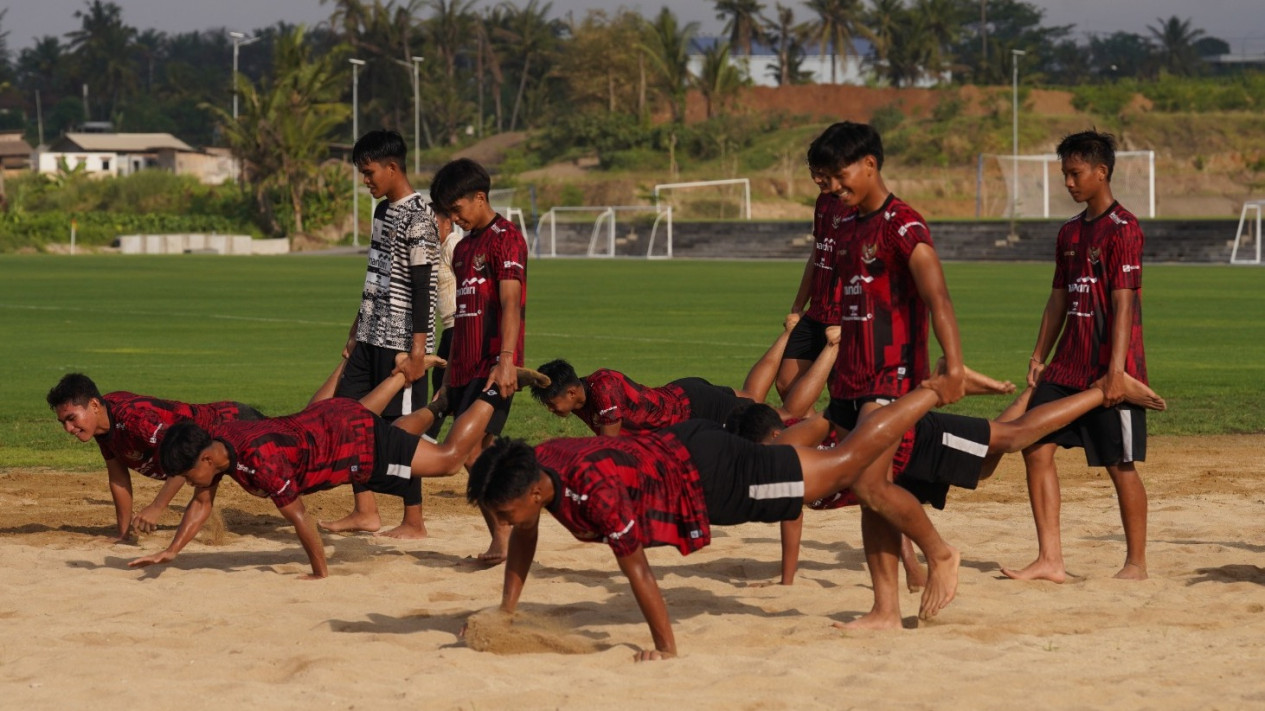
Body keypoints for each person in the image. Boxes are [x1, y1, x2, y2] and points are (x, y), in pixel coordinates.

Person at [467, 373, 966, 662]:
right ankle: (908, 404)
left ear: (534, 492)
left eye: (506, 514)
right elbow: (527, 532)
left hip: (712, 476)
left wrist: (665, 649)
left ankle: (932, 396)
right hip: (686, 450)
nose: (506, 523)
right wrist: (507, 610)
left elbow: (638, 570)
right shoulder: (540, 461)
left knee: (849, 468)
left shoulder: (593, 492)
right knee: (846, 469)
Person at [735, 366, 1165, 606]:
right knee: (986, 467)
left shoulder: (790, 444)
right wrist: (915, 573)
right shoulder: (791, 460)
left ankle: (1104, 390)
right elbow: (883, 501)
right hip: (900, 463)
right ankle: (1022, 397)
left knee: (1011, 440)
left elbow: (835, 425)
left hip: (915, 437)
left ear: (769, 439)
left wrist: (788, 579)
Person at [128, 365, 549, 579]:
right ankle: (441, 403)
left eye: (184, 476)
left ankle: (495, 385)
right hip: (333, 422)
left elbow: (302, 519)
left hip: (355, 440)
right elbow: (202, 505)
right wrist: (172, 550)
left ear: (204, 461)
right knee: (403, 437)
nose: (187, 485)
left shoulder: (259, 460)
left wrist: (319, 570)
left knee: (449, 460)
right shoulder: (217, 442)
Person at [811, 121, 967, 629]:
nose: (834, 186)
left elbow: (937, 296)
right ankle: (884, 608)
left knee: (871, 483)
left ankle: (939, 553)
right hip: (852, 376)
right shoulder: (848, 225)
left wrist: (955, 363)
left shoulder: (904, 225)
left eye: (840, 175)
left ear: (870, 163)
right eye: (828, 179)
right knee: (865, 488)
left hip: (892, 375)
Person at [1003, 130, 1154, 584]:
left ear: (1101, 172)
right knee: (1034, 446)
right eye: (1065, 173)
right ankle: (1050, 559)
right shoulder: (1068, 232)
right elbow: (1057, 300)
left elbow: (1124, 301)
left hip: (1110, 369)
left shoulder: (1124, 230)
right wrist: (1037, 355)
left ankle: (1136, 564)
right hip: (1066, 366)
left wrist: (1116, 372)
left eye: (1075, 173)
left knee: (1118, 463)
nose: (1068, 182)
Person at [324, 129, 442, 540]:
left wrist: (416, 352)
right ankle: (366, 511)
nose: (366, 181)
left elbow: (423, 286)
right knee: (347, 417)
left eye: (370, 172)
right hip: (370, 336)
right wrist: (356, 328)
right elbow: (375, 275)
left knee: (400, 431)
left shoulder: (419, 218)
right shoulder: (380, 214)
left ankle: (414, 521)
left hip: (400, 347)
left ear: (393, 168)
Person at [428, 157, 528, 565]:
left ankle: (506, 534)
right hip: (465, 368)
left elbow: (510, 304)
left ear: (480, 197)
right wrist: (450, 378)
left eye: (457, 209)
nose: (454, 218)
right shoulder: (464, 248)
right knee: (480, 454)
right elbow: (461, 316)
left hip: (494, 367)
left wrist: (506, 361)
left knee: (467, 453)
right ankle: (509, 530)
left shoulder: (507, 238)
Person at [46, 373, 264, 542]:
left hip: (237, 425)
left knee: (274, 483)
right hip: (211, 447)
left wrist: (157, 507)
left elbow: (186, 456)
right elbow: (118, 478)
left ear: (94, 405)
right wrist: (123, 534)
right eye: (63, 422)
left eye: (71, 418)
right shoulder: (102, 425)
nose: (68, 428)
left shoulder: (136, 421)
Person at [531, 318, 840, 437]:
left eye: (551, 401)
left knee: (782, 417)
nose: (550, 408)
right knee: (752, 396)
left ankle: (831, 348)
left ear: (571, 391)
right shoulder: (582, 395)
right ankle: (789, 332)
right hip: (684, 395)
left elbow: (611, 448)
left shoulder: (603, 388)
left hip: (695, 407)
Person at [777, 184, 845, 400]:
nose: (816, 178)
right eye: (813, 172)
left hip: (843, 316)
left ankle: (841, 433)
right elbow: (817, 254)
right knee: (787, 385)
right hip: (815, 313)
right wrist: (798, 305)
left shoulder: (861, 205)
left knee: (841, 393)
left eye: (821, 172)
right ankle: (813, 430)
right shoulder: (823, 200)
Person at [423, 207, 463, 443]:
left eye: (433, 224)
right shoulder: (440, 248)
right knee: (442, 383)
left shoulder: (454, 245)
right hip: (450, 327)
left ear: (447, 223)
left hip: (460, 325)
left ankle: (428, 437)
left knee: (442, 385)